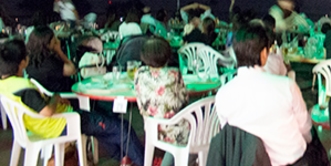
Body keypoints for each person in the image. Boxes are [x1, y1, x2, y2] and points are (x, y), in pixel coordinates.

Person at [0, 39, 144, 165]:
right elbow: (47, 111)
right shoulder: (24, 87)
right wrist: (55, 99)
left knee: (104, 126)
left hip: (43, 126)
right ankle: (144, 161)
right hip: (63, 123)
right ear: (22, 62)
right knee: (122, 126)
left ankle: (124, 157)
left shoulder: (5, 84)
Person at [215, 25, 323, 166]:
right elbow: (305, 128)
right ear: (264, 54)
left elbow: (230, 136)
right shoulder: (286, 86)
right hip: (291, 161)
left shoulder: (223, 95)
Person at [134, 37, 189, 166]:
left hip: (151, 126)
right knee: (198, 125)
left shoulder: (139, 73)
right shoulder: (174, 74)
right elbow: (183, 102)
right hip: (174, 128)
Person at [26, 25, 77, 93]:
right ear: (47, 44)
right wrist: (59, 51)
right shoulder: (49, 63)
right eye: (54, 40)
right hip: (64, 96)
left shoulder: (29, 60)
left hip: (45, 95)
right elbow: (72, 70)